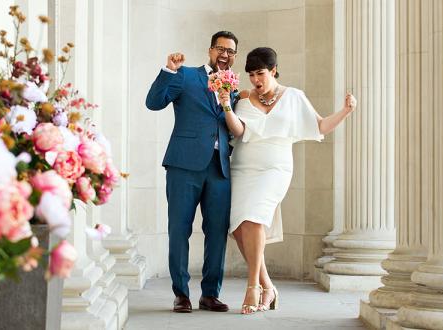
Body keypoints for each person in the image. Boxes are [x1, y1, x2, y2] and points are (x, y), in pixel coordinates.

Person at [218, 47, 357, 314]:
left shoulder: (294, 97)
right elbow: (239, 130)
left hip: (275, 168)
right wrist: (226, 106)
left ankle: (253, 288)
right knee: (237, 228)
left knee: (254, 217)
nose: (256, 80)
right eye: (251, 75)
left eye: (260, 73)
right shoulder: (244, 97)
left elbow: (319, 126)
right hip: (244, 167)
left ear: (273, 71)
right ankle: (268, 286)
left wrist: (346, 111)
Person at [145, 31, 239, 313]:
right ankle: (181, 294)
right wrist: (168, 71)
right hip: (183, 165)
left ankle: (210, 294)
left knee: (217, 232)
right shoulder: (186, 76)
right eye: (220, 49)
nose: (225, 54)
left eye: (231, 51)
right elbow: (154, 102)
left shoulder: (233, 88)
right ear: (210, 50)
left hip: (219, 167)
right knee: (179, 229)